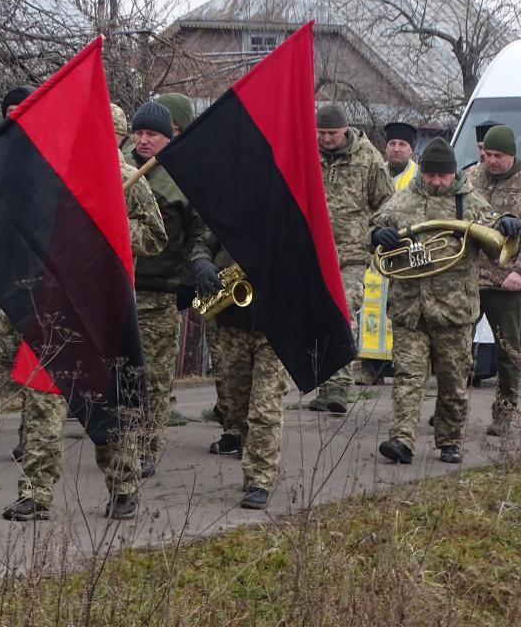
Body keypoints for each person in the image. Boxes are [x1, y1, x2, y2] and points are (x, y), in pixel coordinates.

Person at [0, 140, 167, 521]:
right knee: (41, 401)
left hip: (102, 309)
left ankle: (123, 487)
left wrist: (108, 227)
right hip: (52, 304)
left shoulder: (127, 178)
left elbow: (155, 236)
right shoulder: (49, 174)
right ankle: (35, 492)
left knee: (106, 399)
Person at [370, 138, 506, 464]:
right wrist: (377, 236)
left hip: (453, 309)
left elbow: (496, 234)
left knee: (453, 380)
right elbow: (373, 229)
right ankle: (401, 440)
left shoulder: (471, 200)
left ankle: (449, 440)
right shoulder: (402, 198)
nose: (434, 181)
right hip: (410, 308)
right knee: (407, 377)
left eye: (441, 176)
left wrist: (508, 223)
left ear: (452, 174)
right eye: (429, 174)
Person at [191, 230, 290, 510]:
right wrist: (202, 263)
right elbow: (201, 243)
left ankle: (260, 479)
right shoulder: (231, 208)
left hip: (276, 326)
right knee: (237, 407)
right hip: (231, 323)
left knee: (265, 408)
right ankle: (253, 469)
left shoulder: (288, 215)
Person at [129, 98, 201, 477]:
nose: (143, 140)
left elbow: (197, 235)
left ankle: (147, 446)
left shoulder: (183, 176)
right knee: (121, 372)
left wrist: (187, 282)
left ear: (169, 135)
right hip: (121, 289)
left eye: (152, 134)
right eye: (138, 133)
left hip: (161, 291)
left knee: (154, 376)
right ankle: (120, 441)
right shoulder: (123, 171)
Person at [309, 104, 393, 412]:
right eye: (321, 133)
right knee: (317, 320)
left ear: (345, 130)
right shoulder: (308, 154)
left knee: (342, 314)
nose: (326, 139)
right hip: (313, 254)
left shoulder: (368, 158)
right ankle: (324, 384)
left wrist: (376, 235)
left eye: (331, 133)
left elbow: (387, 204)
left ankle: (340, 387)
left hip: (353, 256)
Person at [468, 125, 521, 436]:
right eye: (487, 154)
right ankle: (451, 408)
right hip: (469, 278)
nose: (491, 161)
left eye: (498, 156)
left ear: (511, 154)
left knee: (508, 352)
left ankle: (504, 413)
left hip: (507, 280)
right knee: (456, 348)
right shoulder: (471, 177)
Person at [359, 121, 418, 383]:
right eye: (392, 144)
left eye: (402, 145)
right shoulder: (375, 170)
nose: (396, 149)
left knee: (399, 309)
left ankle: (398, 366)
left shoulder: (419, 176)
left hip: (405, 251)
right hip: (376, 249)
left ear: (411, 150)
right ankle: (370, 367)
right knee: (370, 308)